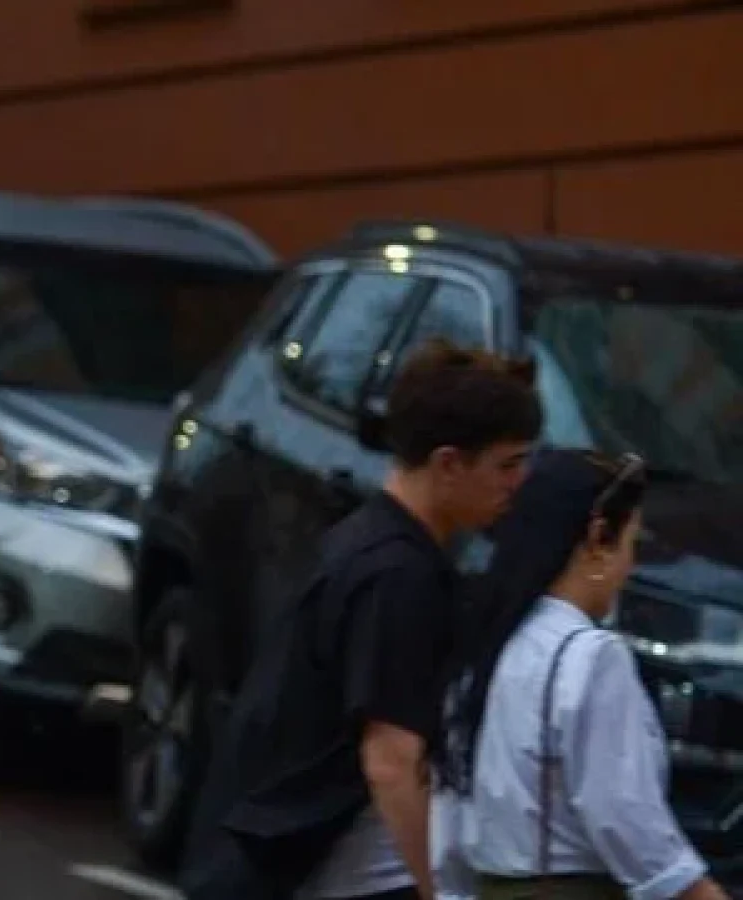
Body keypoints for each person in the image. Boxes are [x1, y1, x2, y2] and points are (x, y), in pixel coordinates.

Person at [181, 339, 544, 900]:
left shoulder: (367, 542)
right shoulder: (397, 576)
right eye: (508, 464)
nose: (517, 484)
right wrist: (440, 891)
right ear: (448, 463)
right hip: (333, 877)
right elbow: (391, 759)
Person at [431, 450, 729, 900]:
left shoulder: (487, 647)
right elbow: (632, 828)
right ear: (597, 538)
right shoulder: (590, 658)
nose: (629, 566)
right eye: (631, 541)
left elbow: (447, 827)